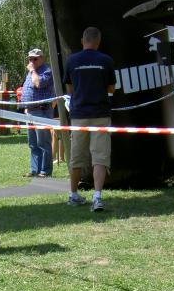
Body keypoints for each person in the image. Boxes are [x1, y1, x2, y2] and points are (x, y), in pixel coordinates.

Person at [62, 27, 116, 212]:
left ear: (82, 40)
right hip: (101, 114)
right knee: (100, 157)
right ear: (98, 41)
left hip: (79, 115)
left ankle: (73, 195)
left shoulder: (71, 60)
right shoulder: (106, 60)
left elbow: (69, 89)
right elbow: (111, 89)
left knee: (76, 157)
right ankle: (97, 197)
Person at [21, 48, 55, 178]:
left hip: (42, 111)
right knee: (33, 144)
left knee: (43, 143)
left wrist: (32, 70)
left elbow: (38, 84)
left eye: (35, 59)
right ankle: (35, 170)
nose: (32, 61)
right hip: (30, 111)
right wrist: (26, 107)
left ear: (42, 58)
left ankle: (45, 171)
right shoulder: (32, 72)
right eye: (30, 59)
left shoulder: (47, 71)